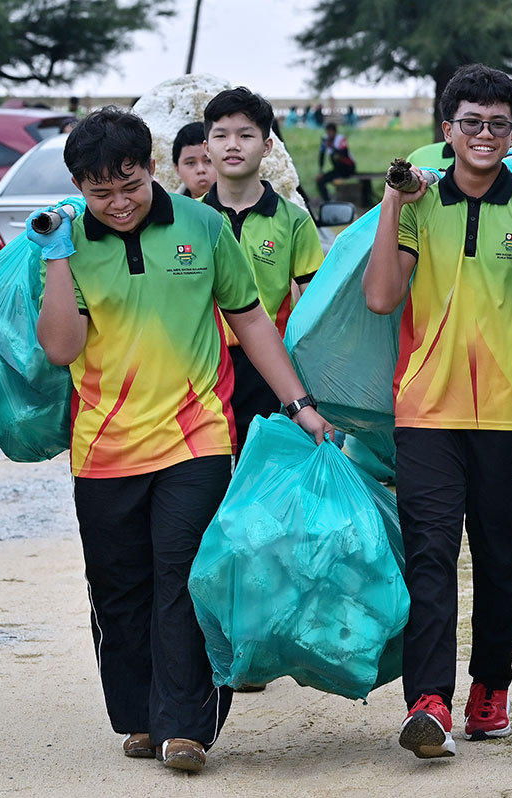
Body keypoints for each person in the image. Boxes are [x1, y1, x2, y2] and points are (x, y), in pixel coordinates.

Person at [27, 106, 332, 773]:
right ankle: (141, 715)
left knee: (187, 578)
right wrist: (55, 259)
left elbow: (250, 322)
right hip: (105, 446)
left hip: (197, 437)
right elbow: (60, 348)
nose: (117, 203)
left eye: (128, 184)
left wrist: (300, 403)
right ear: (80, 187)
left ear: (151, 168)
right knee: (120, 585)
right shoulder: (67, 240)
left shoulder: (202, 225)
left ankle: (186, 726)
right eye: (98, 192)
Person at [363, 63, 512, 760]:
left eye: (498, 124)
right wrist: (395, 202)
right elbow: (381, 299)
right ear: (447, 130)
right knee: (429, 556)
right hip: (425, 412)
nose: (484, 135)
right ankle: (428, 702)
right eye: (470, 123)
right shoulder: (420, 203)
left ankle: (490, 689)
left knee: (502, 561)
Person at [201, 87, 325, 460]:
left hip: (271, 369)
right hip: (204, 365)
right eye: (221, 135)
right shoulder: (189, 219)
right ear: (206, 146)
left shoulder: (294, 220)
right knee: (207, 477)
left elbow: (317, 306)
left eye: (246, 135)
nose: (232, 144)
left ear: (267, 146)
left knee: (265, 479)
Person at [171, 121, 215, 198]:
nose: (201, 170)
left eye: (209, 161)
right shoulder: (170, 208)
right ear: (177, 169)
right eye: (190, 163)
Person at [315, 121, 356, 202]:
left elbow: (345, 153)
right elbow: (322, 156)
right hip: (337, 169)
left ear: (334, 132)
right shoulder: (325, 140)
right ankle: (326, 199)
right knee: (320, 180)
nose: (329, 134)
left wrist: (332, 147)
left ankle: (328, 200)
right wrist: (321, 171)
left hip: (347, 167)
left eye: (330, 132)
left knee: (335, 157)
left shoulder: (340, 139)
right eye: (327, 132)